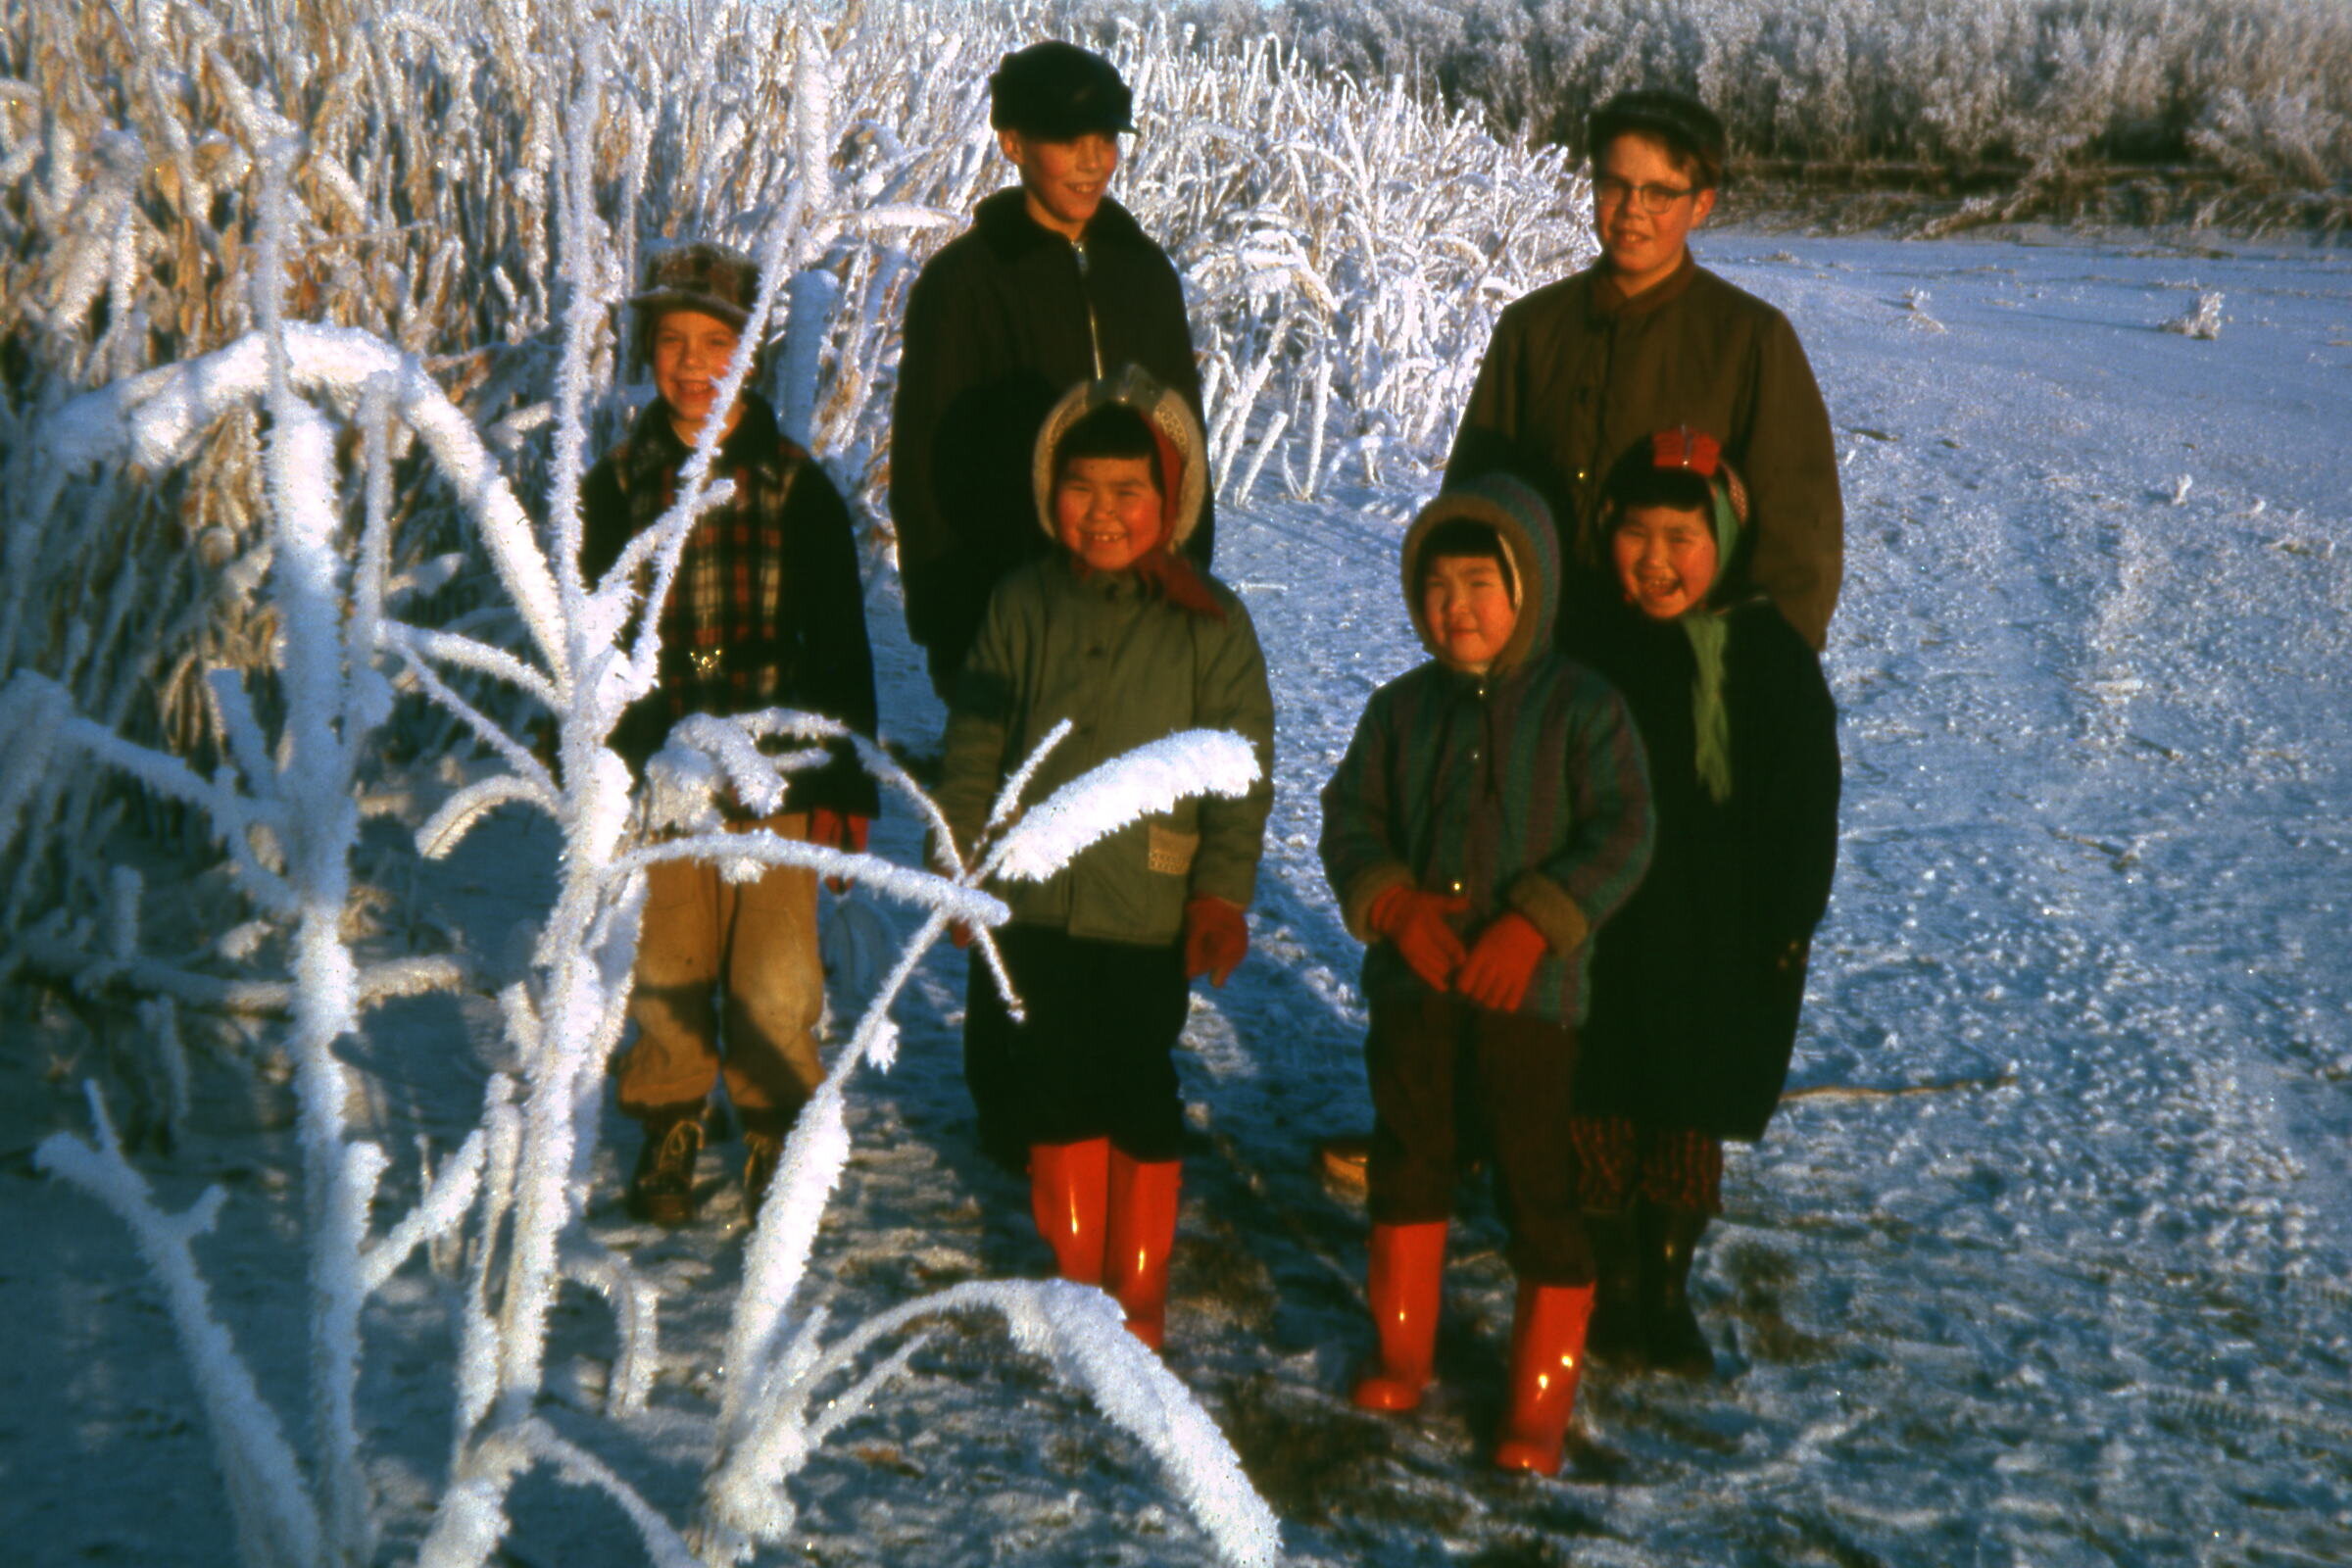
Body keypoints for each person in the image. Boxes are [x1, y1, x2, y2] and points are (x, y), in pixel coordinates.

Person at [1318, 474, 1653, 1474]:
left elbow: (1625, 831)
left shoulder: (1583, 708)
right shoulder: (1399, 711)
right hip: (1416, 986)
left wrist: (1537, 926)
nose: (1455, 607)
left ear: (1532, 588)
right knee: (1409, 1150)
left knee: (1535, 1177)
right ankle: (1402, 1347)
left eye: (1481, 583)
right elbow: (1350, 821)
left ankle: (1540, 1398)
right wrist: (1392, 904)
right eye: (1437, 586)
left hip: (1530, 997)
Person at [935, 367, 1272, 1351]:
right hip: (1034, 898)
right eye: (1084, 486)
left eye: (1131, 491)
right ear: (1053, 491)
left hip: (1147, 903)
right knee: (1050, 1076)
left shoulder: (1209, 620)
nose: (1105, 511)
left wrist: (1219, 893)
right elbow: (974, 749)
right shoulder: (1022, 603)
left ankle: (1142, 1287)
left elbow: (1239, 773)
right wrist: (961, 862)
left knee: (1135, 1078)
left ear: (1169, 500)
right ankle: (1076, 1280)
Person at [579, 242, 880, 1228]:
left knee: (775, 967)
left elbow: (839, 649)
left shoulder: (796, 487)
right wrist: (588, 763)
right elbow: (586, 635)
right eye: (672, 342)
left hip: (776, 780)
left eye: (718, 342)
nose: (694, 364)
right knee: (666, 956)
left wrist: (843, 788)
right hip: (657, 771)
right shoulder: (617, 485)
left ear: (750, 356)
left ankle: (772, 1130)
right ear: (644, 352)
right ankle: (670, 1113)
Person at [1570, 428, 1840, 1376]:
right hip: (1600, 926)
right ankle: (1605, 1280)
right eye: (1636, 535)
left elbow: (1807, 801)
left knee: (1687, 1108)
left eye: (1683, 537)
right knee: (1597, 1095)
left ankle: (1665, 1282)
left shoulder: (1770, 655)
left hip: (1718, 934)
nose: (1657, 562)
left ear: (1725, 534)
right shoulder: (1585, 642)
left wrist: (1788, 921)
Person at [1447, 88, 1843, 653]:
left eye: (1659, 193)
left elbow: (1798, 547)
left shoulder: (1751, 339)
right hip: (1542, 667)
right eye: (1614, 186)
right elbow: (1474, 500)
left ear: (1701, 204)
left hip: (1682, 676)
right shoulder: (1531, 329)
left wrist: (1767, 673)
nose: (1632, 211)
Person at [892, 39, 1214, 704]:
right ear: (1012, 143)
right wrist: (950, 631)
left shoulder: (1144, 273)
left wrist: (1190, 579)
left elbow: (1186, 445)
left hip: (1140, 609)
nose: (1094, 160)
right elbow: (925, 468)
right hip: (1009, 619)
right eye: (1069, 139)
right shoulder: (964, 284)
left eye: (1105, 137)